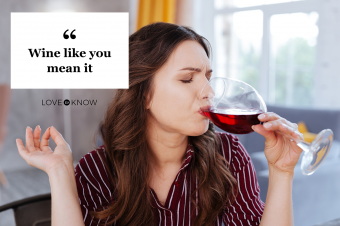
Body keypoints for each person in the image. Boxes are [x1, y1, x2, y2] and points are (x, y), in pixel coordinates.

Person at [15, 22, 304, 226]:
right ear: (144, 95)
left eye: (207, 76)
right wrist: (60, 171)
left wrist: (282, 172)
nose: (209, 92)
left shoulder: (228, 155)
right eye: (187, 79)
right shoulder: (96, 171)